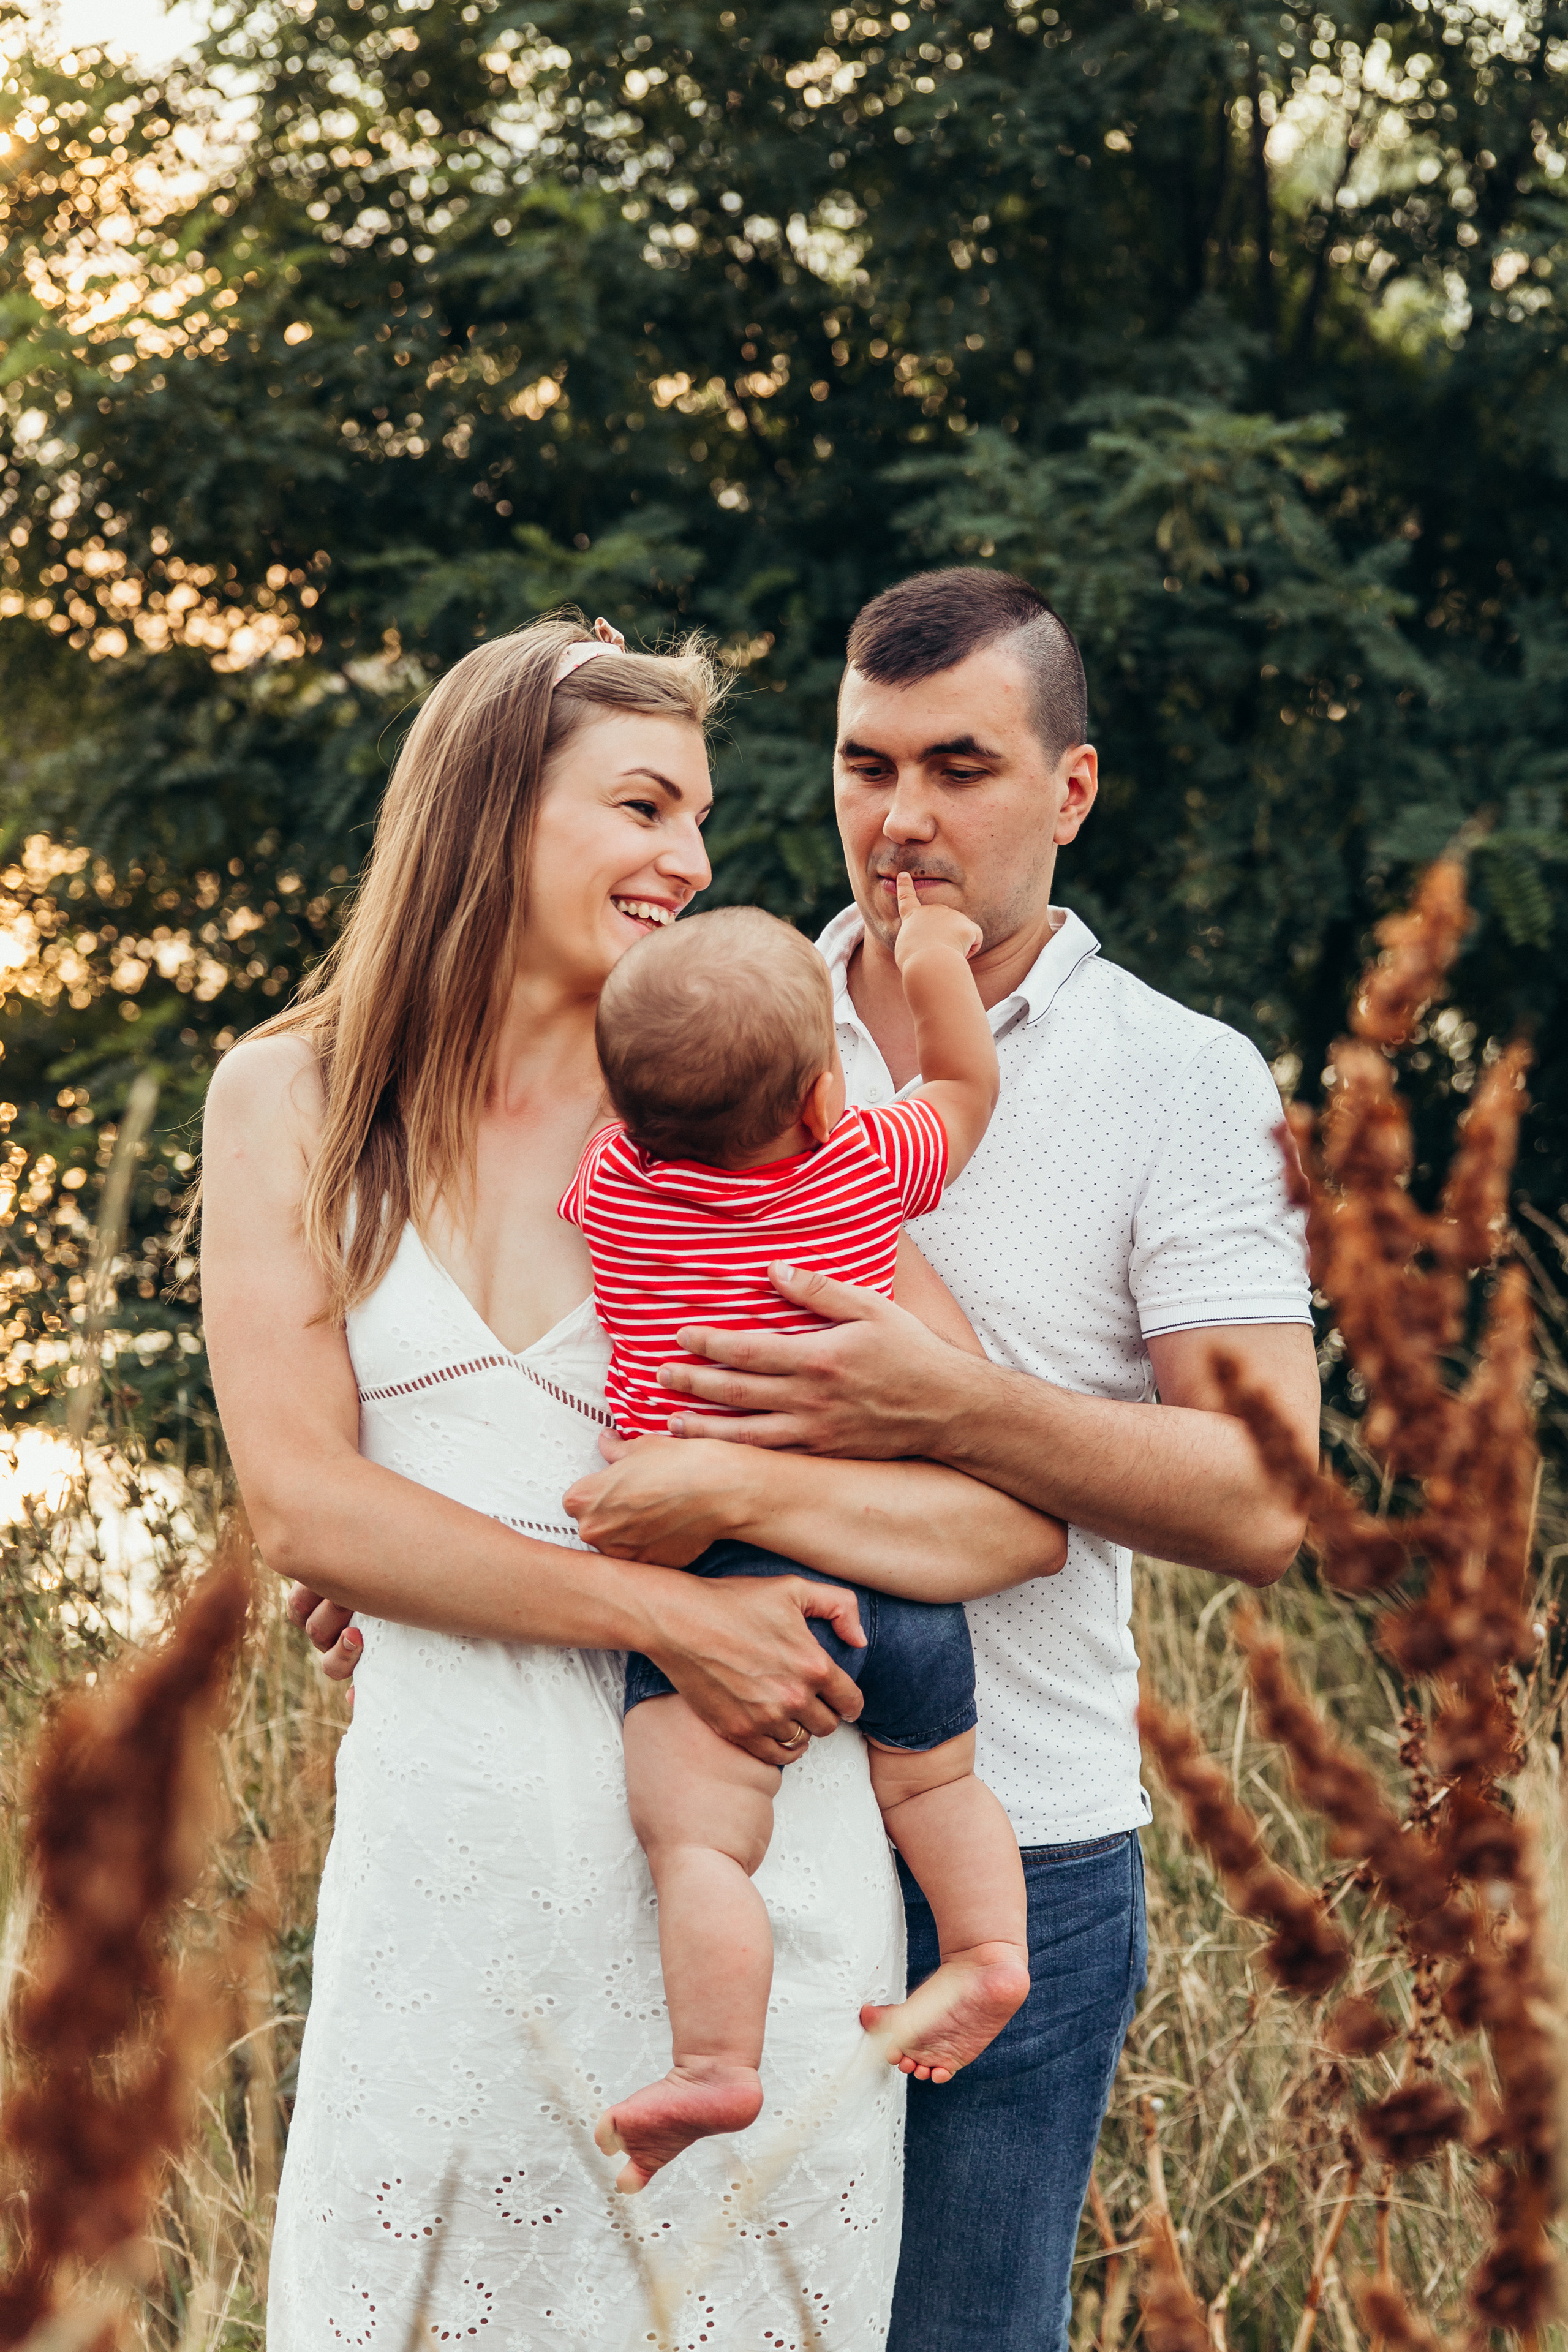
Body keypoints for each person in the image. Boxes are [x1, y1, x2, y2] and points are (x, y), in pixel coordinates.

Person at [202, 609, 1063, 2347]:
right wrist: (664, 1606)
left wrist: (728, 1534)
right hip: (443, 1900)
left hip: (758, 1897)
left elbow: (1006, 1514)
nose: (693, 860)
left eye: (702, 821)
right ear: (494, 809)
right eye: (646, 807)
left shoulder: (733, 1117)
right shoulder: (287, 1100)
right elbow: (306, 1506)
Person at [513, 568, 1321, 2348]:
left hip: (1010, 1836)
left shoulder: (1181, 1079)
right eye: (867, 766)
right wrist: (427, 1575)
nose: (902, 820)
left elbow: (1266, 1501)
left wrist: (938, 1401)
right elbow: (561, 1358)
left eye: (960, 766)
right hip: (689, 1813)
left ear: (1071, 790)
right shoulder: (686, 1021)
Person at [570, 891, 1041, 2195]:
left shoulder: (615, 1194)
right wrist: (937, 958)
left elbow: (620, 1127)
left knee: (701, 1842)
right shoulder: (856, 1167)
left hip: (717, 1572)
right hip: (883, 1554)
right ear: (828, 1096)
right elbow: (960, 1080)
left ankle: (718, 2058)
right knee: (934, 1785)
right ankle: (987, 1949)